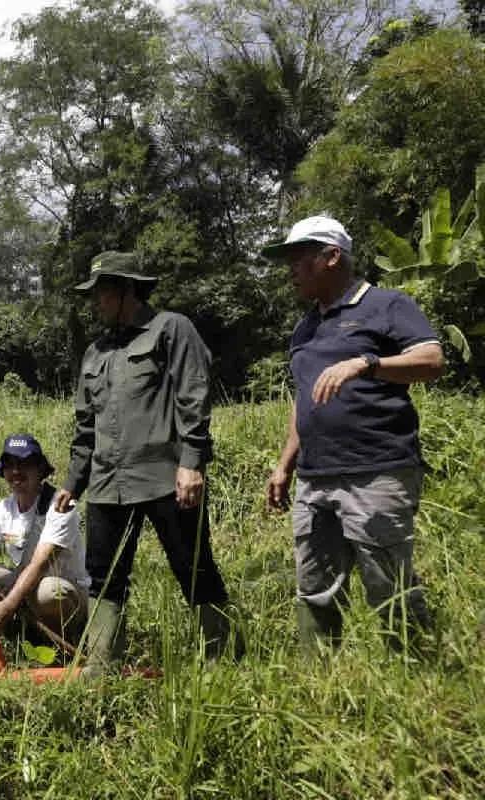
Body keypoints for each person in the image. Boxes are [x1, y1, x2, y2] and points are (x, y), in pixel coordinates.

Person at [262, 215, 443, 655]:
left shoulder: (386, 305)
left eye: (299, 260)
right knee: (315, 585)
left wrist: (369, 362)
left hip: (376, 469)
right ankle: (319, 676)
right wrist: (284, 465)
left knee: (386, 582)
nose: (291, 271)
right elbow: (304, 399)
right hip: (314, 476)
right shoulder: (305, 327)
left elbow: (432, 359)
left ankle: (418, 672)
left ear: (331, 257)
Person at [52, 251, 240, 669]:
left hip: (164, 476)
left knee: (192, 565)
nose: (96, 302)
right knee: (103, 576)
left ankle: (224, 657)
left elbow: (194, 395)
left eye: (102, 292)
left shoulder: (170, 329)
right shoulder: (95, 352)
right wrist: (72, 482)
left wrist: (192, 461)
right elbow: (86, 425)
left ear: (127, 290)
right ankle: (103, 665)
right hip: (105, 483)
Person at [0, 433, 89, 645]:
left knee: (48, 592)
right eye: (9, 465)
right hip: (24, 588)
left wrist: (8, 605)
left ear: (40, 470)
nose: (16, 472)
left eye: (24, 464)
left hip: (67, 592)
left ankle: (61, 643)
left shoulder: (60, 507)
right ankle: (2, 633)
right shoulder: (0, 510)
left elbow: (40, 564)